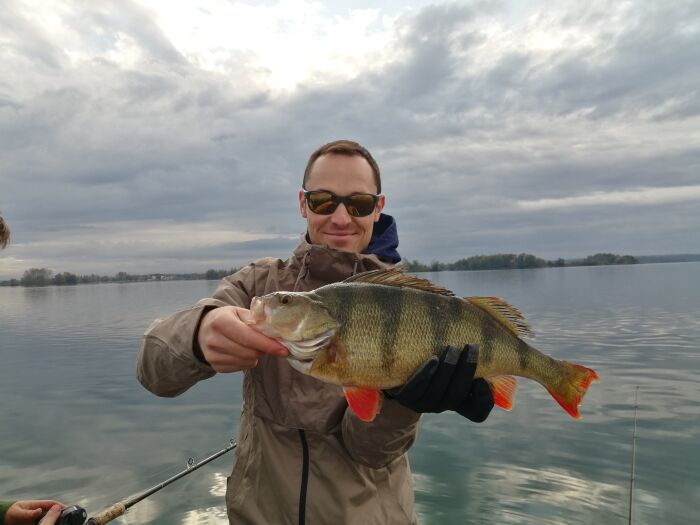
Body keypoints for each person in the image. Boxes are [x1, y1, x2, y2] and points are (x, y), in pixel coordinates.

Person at [136, 139, 494, 524]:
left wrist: (402, 404)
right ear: (303, 203)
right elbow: (153, 373)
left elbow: (370, 453)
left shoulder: (402, 297)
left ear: (378, 208)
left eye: (358, 204)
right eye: (324, 201)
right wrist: (197, 333)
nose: (341, 218)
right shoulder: (260, 287)